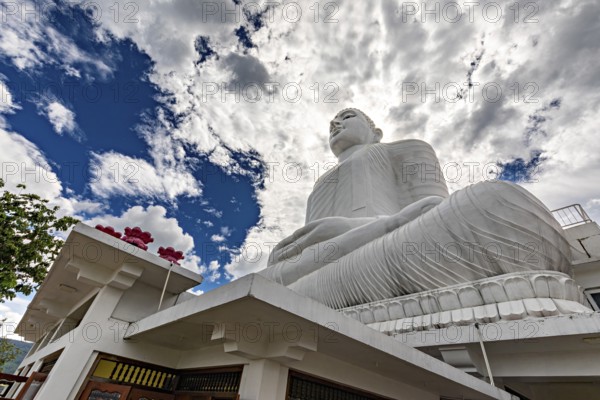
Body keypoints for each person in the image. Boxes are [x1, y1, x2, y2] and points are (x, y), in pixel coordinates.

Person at [260, 109, 571, 309]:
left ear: (375, 131)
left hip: (392, 243)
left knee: (493, 200)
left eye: (347, 116)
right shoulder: (319, 184)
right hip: (324, 262)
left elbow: (433, 207)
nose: (334, 123)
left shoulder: (407, 149)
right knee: (269, 274)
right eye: (332, 122)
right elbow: (305, 251)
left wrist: (377, 226)